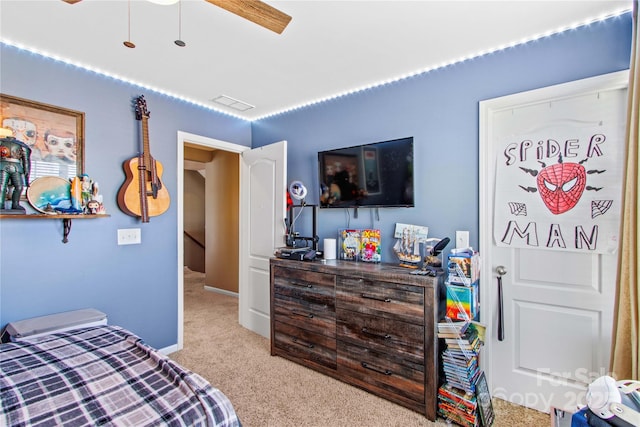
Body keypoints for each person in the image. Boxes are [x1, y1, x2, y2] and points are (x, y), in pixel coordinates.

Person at [0, 136, 32, 212]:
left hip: (16, 167)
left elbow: (26, 161)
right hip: (2, 165)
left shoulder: (21, 145)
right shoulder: (1, 143)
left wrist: (26, 173)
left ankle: (15, 204)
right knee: (1, 187)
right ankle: (1, 204)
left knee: (19, 186)